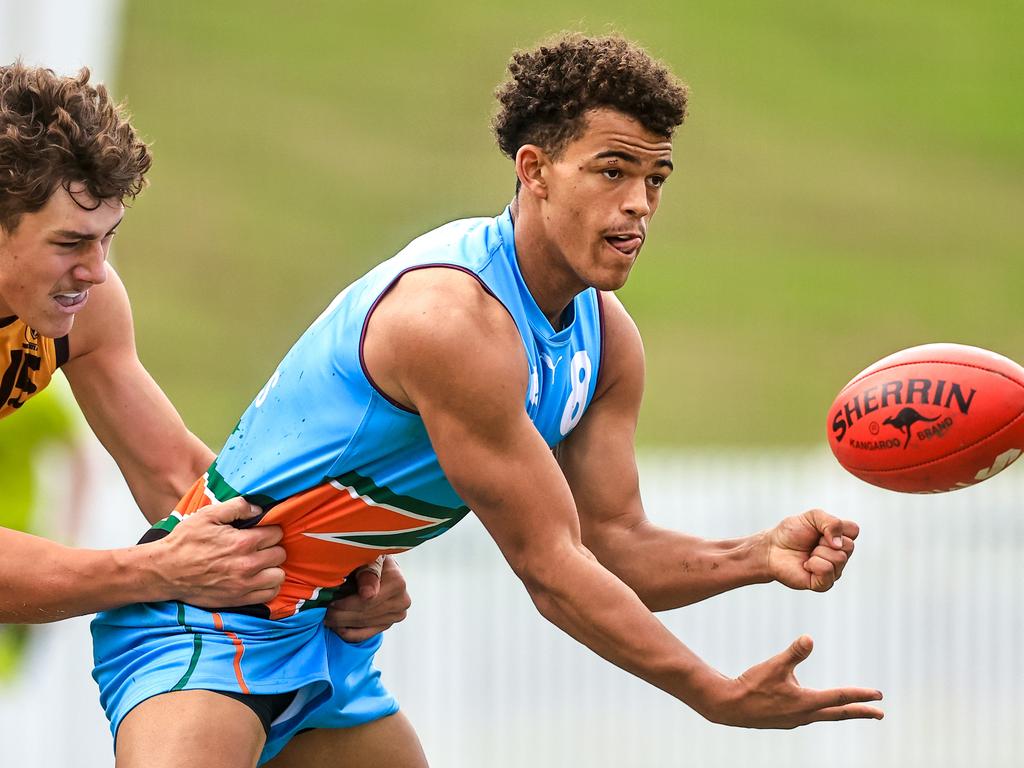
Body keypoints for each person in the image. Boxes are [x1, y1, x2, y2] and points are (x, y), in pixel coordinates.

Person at [93, 34, 884, 768]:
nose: (640, 203)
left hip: (324, 632)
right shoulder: (453, 322)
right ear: (534, 170)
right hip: (204, 621)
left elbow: (610, 541)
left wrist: (753, 556)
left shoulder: (606, 340)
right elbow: (549, 568)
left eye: (655, 178)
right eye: (612, 171)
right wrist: (711, 692)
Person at [0, 64, 408, 646]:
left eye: (107, 236)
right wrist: (155, 568)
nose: (96, 271)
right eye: (69, 243)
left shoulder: (89, 305)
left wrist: (335, 563)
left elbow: (174, 478)